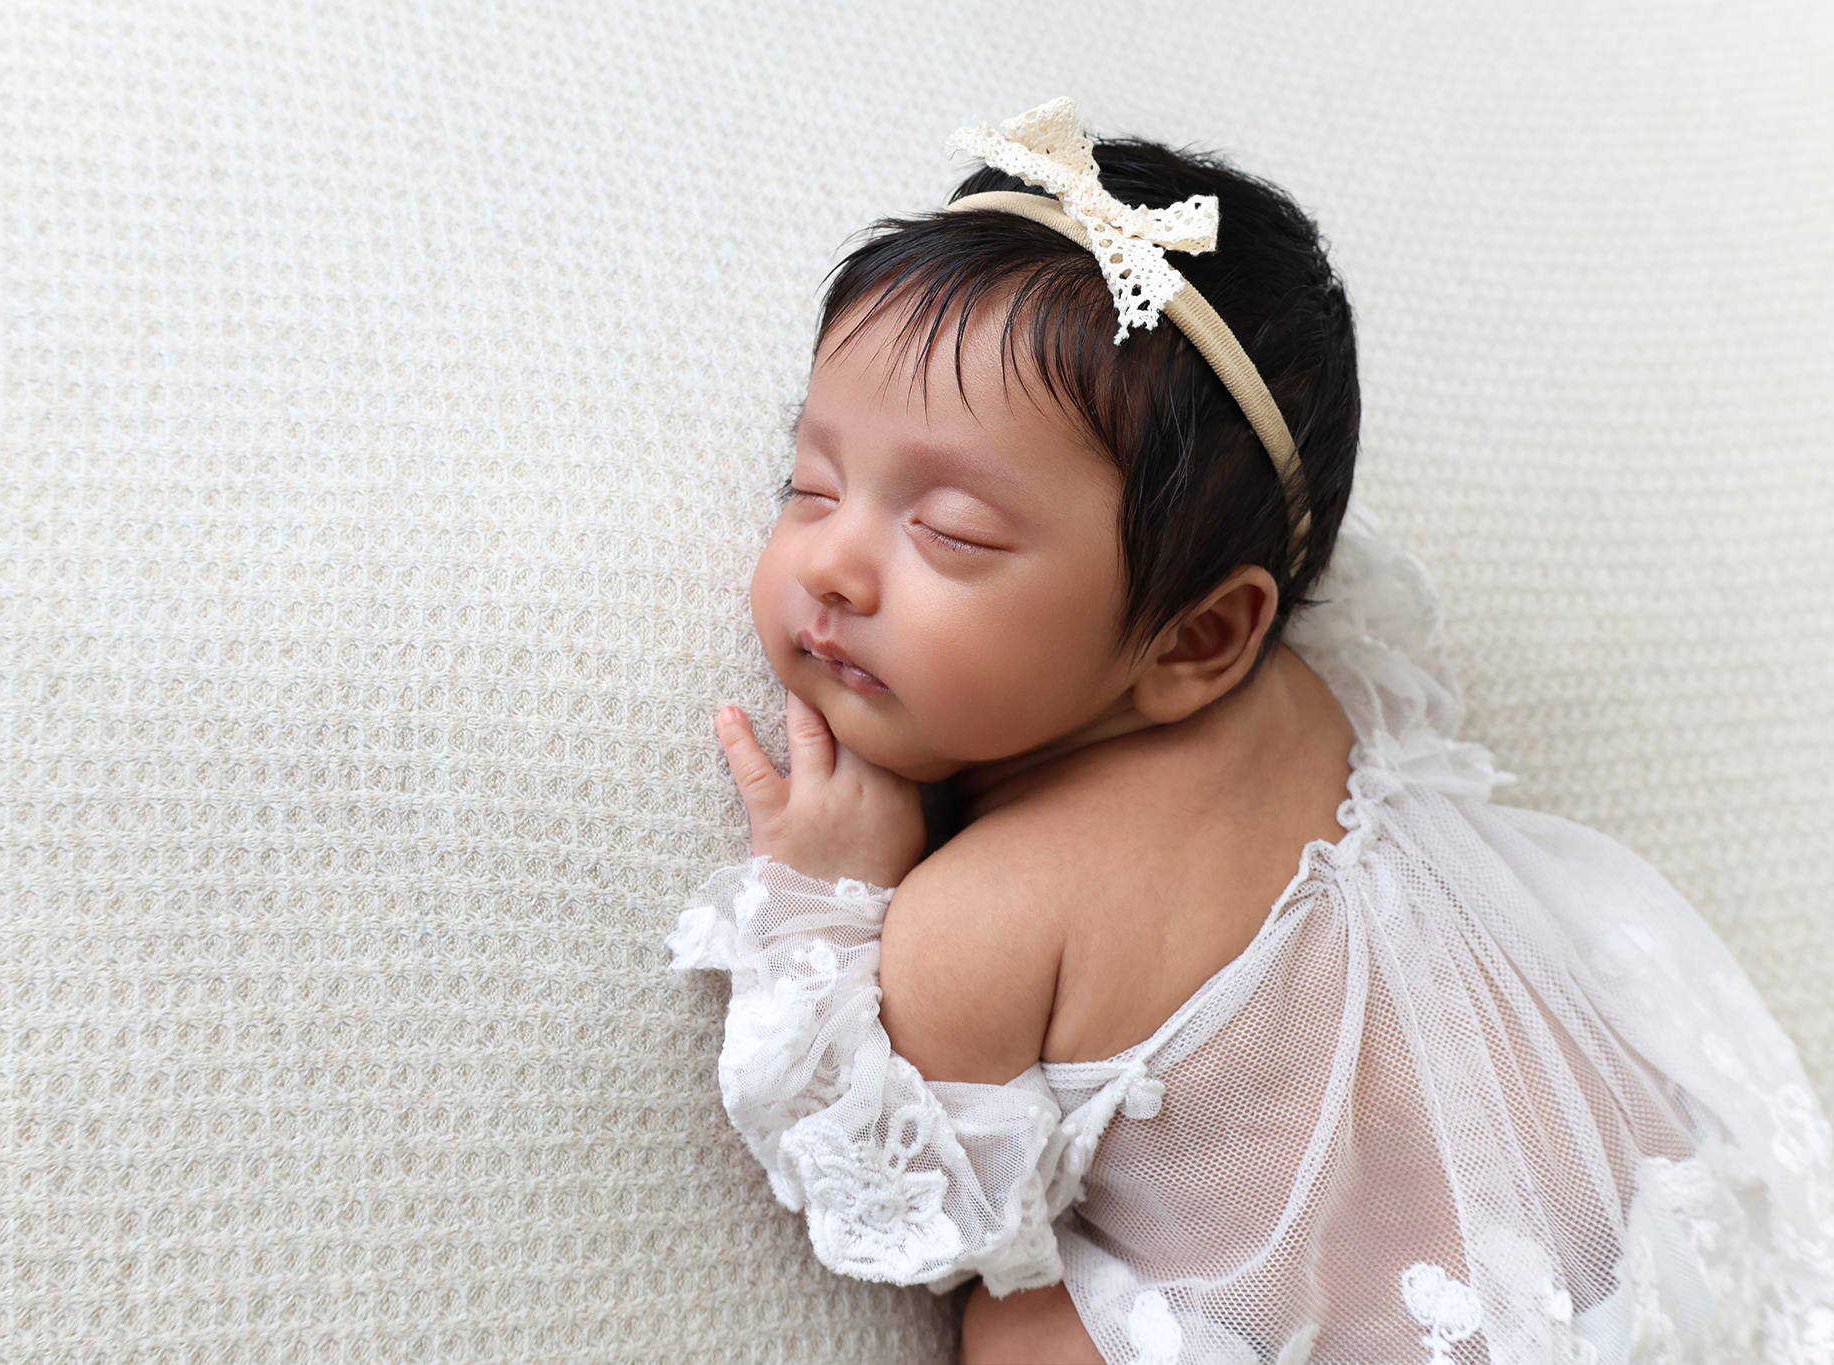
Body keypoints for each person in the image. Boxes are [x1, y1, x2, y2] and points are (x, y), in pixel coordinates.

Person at [667, 99, 1834, 1364]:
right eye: (809, 485)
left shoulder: (979, 925)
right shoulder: (1319, 685)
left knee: (1016, 1321)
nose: (830, 563)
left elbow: (908, 1206)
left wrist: (825, 905)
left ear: (1199, 640)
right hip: (1641, 1252)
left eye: (949, 533)